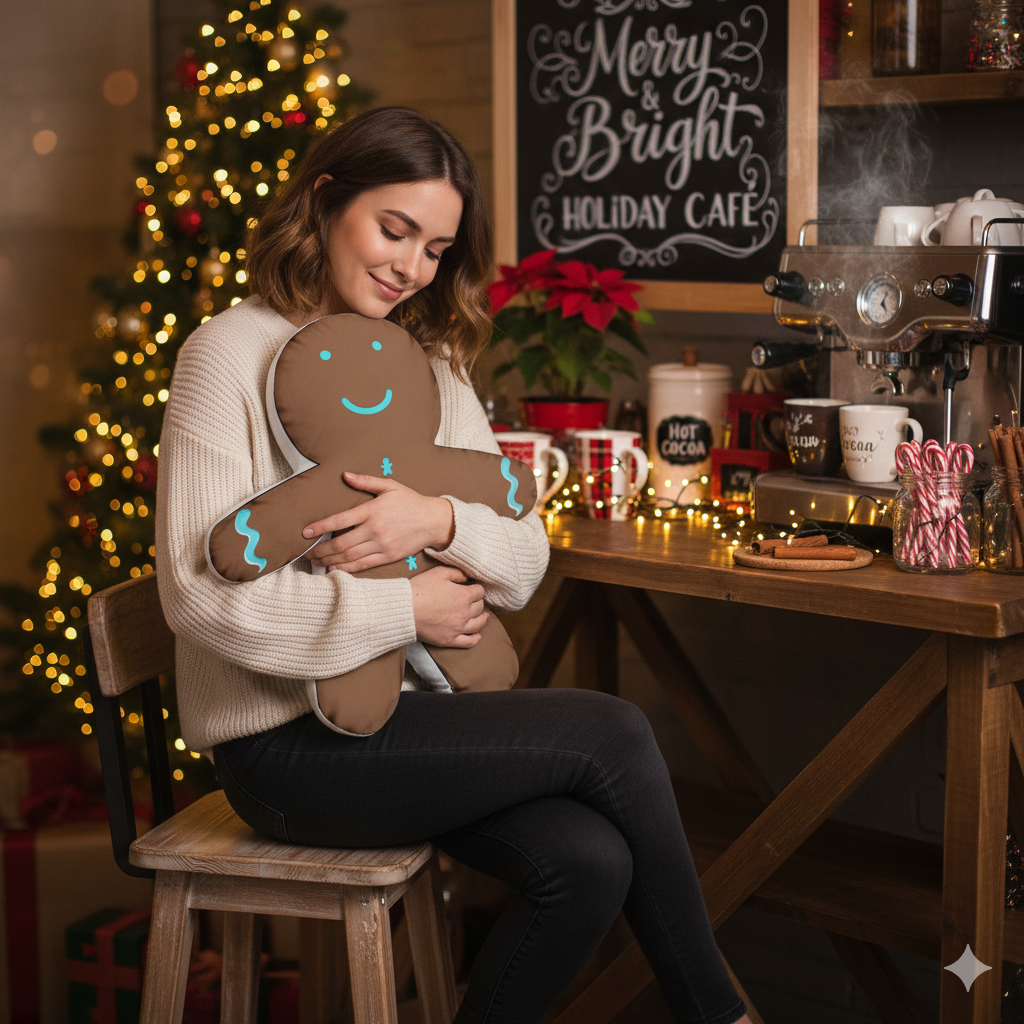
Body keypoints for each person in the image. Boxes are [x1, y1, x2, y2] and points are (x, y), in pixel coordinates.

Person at [155, 105, 750, 1024]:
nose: (411, 267)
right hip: (285, 753)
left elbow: (523, 555)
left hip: (415, 724)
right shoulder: (225, 356)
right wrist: (407, 613)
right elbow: (197, 599)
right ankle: (722, 1015)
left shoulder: (425, 362)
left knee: (588, 863)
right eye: (393, 230)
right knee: (616, 731)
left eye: (434, 248)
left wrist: (432, 517)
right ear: (324, 202)